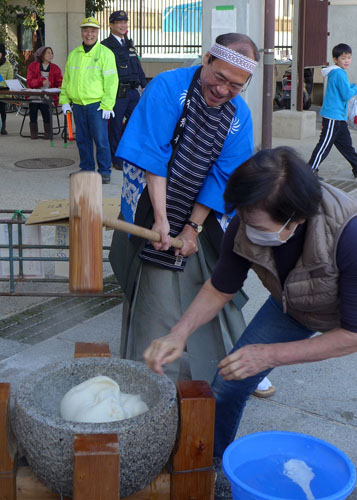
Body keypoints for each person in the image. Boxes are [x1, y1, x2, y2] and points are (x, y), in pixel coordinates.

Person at [143, 146, 357, 464]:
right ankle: (208, 467)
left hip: (345, 317)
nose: (248, 232)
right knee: (229, 381)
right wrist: (179, 332)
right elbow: (220, 287)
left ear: (297, 218)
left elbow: (352, 335)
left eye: (259, 228)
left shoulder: (348, 234)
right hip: (293, 305)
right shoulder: (246, 221)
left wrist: (268, 355)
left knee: (252, 360)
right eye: (243, 219)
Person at [110, 33, 276, 397]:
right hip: (153, 198)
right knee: (157, 283)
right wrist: (163, 219)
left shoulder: (238, 115)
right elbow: (153, 155)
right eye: (219, 77)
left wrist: (192, 228)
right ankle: (152, 367)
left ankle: (236, 361)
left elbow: (223, 177)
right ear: (206, 60)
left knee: (215, 279)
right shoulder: (169, 86)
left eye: (236, 85)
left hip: (201, 208)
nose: (223, 89)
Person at [59, 17, 118, 184]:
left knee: (101, 140)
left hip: (97, 106)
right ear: (82, 32)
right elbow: (67, 81)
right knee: (82, 140)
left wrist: (107, 104)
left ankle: (104, 171)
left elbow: (112, 82)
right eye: (86, 30)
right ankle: (86, 169)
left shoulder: (105, 54)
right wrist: (64, 100)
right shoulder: (74, 54)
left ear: (98, 33)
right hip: (78, 105)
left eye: (92, 31)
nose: (89, 34)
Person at [101, 10, 147, 171]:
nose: (123, 25)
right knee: (114, 126)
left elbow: (138, 66)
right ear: (111, 25)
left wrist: (144, 84)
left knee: (137, 122)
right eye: (119, 22)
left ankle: (129, 152)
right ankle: (116, 158)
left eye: (125, 22)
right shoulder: (105, 46)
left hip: (133, 92)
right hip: (117, 93)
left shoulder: (129, 44)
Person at [309, 43, 357, 178]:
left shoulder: (336, 72)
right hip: (333, 116)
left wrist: (353, 86)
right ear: (335, 59)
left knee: (346, 145)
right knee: (324, 145)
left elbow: (344, 89)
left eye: (349, 57)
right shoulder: (339, 73)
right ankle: (310, 170)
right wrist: (355, 88)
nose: (347, 60)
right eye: (343, 58)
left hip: (339, 117)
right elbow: (347, 94)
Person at [26, 46, 63, 140]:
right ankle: (34, 131)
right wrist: (41, 81)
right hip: (35, 93)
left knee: (44, 105)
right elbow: (29, 82)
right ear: (42, 55)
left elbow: (60, 81)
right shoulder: (32, 66)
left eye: (51, 53)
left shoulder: (55, 68)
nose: (51, 55)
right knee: (33, 105)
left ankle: (48, 131)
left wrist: (60, 86)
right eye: (48, 53)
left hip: (48, 94)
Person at [0, 43, 14, 135]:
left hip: (2, 91)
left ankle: (3, 127)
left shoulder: (7, 65)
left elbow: (10, 80)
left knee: (2, 109)